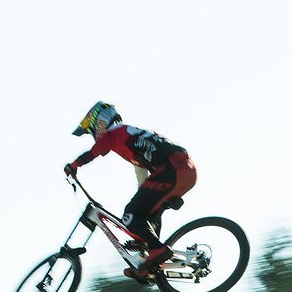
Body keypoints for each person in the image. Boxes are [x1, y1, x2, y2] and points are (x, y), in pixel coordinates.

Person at [64, 101, 197, 280]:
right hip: (184, 170)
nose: (94, 135)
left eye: (92, 131)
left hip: (173, 169)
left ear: (100, 122)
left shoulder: (115, 134)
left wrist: (73, 166)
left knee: (130, 215)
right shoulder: (129, 136)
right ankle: (150, 261)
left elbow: (93, 153)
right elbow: (142, 179)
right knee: (142, 215)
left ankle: (157, 250)